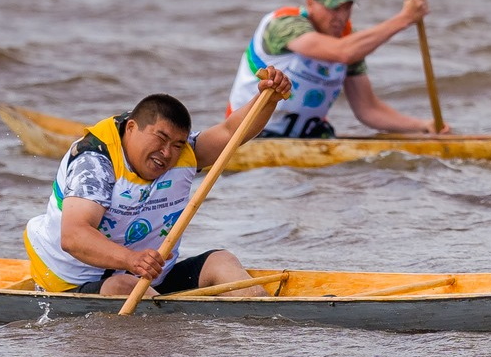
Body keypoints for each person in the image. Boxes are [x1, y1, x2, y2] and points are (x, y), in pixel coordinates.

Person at [23, 69, 291, 296]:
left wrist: (268, 97)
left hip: (150, 277)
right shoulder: (94, 163)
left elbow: (232, 131)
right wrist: (131, 260)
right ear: (131, 128)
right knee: (124, 284)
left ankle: (265, 325)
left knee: (221, 261)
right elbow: (74, 236)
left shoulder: (182, 154)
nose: (167, 153)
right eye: (160, 139)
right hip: (73, 282)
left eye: (176, 144)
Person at [228, 0, 450, 138]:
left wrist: (423, 126)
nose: (341, 17)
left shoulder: (350, 40)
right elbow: (341, 53)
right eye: (333, 8)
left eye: (347, 7)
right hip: (248, 136)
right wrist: (404, 19)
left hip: (308, 139)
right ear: (310, 4)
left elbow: (368, 109)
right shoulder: (283, 24)